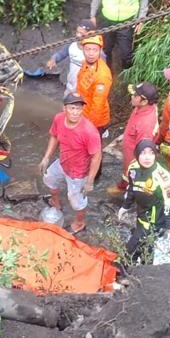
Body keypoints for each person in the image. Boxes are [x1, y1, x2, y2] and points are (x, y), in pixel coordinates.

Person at [39, 92, 102, 235]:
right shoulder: (59, 119)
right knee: (48, 178)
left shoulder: (89, 131)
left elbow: (96, 157)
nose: (75, 112)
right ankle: (56, 202)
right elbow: (54, 136)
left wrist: (90, 181)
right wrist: (46, 157)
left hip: (78, 172)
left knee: (75, 200)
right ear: (64, 108)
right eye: (72, 108)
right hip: (62, 162)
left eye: (78, 109)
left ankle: (80, 223)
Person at [117, 140, 170, 262]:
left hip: (154, 220)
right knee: (146, 247)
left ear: (155, 155)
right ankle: (145, 266)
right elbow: (132, 188)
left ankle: (127, 267)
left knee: (130, 249)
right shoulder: (133, 168)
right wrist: (125, 206)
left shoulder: (162, 176)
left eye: (151, 153)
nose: (147, 157)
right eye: (143, 153)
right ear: (137, 154)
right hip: (141, 213)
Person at [106, 82, 160, 196]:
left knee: (132, 174)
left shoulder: (145, 125)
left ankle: (129, 193)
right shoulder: (145, 107)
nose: (132, 96)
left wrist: (136, 164)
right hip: (130, 149)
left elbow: (143, 151)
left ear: (144, 101)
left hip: (134, 157)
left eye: (135, 95)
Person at [46, 18, 104, 97]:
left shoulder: (94, 51)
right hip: (70, 87)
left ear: (90, 35)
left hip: (86, 90)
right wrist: (54, 59)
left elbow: (102, 69)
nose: (78, 35)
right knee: (67, 107)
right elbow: (61, 53)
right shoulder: (72, 45)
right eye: (77, 32)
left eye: (82, 34)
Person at [76, 35, 112, 138]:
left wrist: (88, 126)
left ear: (100, 50)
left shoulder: (102, 75)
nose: (91, 53)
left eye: (95, 50)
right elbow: (80, 87)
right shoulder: (85, 64)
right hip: (83, 112)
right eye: (88, 49)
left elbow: (98, 105)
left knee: (92, 148)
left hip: (96, 120)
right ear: (82, 49)